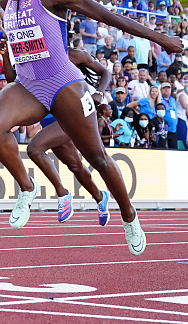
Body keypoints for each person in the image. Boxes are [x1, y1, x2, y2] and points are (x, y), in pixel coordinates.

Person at [0, 0, 181, 256]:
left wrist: (161, 39)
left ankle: (129, 217)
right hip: (29, 85)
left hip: (64, 86)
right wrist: (6, 56)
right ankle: (26, 189)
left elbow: (109, 17)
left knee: (98, 158)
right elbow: (14, 70)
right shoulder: (7, 3)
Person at [12, 47, 113, 225]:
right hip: (50, 119)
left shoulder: (74, 54)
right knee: (74, 165)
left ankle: (62, 194)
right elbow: (13, 78)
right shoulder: (36, 58)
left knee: (35, 149)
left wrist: (100, 92)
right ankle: (100, 197)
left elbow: (105, 72)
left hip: (72, 114)